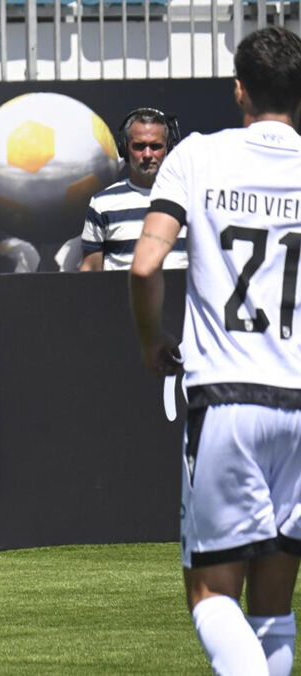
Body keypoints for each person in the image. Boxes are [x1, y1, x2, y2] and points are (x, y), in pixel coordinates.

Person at [130, 26, 301, 676]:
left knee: (210, 593)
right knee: (274, 607)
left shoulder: (197, 156)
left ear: (239, 90)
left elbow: (145, 265)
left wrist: (152, 342)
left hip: (227, 397)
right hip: (298, 401)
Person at [82, 108, 187, 272]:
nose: (147, 154)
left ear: (169, 148)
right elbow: (90, 270)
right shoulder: (102, 203)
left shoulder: (191, 199)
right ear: (124, 148)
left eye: (155, 146)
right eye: (139, 146)